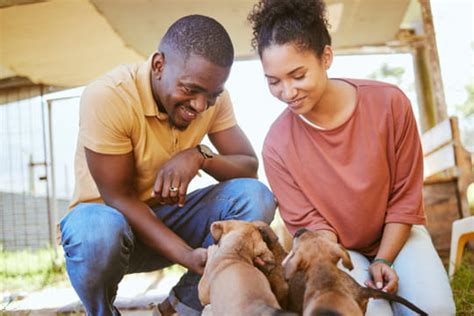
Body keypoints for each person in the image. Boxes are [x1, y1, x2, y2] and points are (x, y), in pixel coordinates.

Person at [59, 15, 276, 316]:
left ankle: (180, 306)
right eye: (190, 90)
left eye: (211, 96)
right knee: (97, 229)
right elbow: (118, 197)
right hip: (110, 234)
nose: (200, 106)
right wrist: (186, 254)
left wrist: (200, 155)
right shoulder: (109, 96)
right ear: (159, 65)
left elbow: (248, 166)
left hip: (169, 221)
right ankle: (103, 312)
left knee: (255, 197)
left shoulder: (212, 97)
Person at [248, 1, 455, 315]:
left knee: (435, 310)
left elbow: (405, 197)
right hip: (340, 250)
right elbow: (314, 227)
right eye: (273, 81)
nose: (287, 92)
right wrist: (345, 262)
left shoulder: (390, 104)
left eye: (297, 75)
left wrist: (384, 258)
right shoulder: (276, 145)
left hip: (399, 232)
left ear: (326, 57)